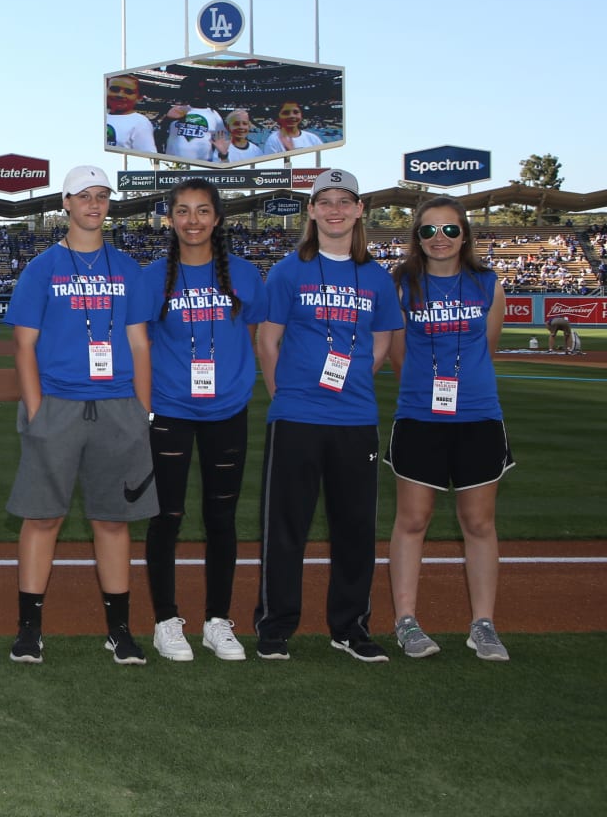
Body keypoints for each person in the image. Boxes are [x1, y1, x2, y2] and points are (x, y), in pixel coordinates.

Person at [5, 166, 156, 665]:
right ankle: (29, 629)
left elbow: (138, 342)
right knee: (42, 517)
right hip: (59, 405)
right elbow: (23, 346)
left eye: (101, 196)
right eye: (84, 196)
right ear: (65, 204)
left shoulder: (127, 268)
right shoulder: (42, 268)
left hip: (117, 406)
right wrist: (36, 409)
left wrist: (143, 410)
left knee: (113, 521)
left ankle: (119, 630)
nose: (94, 204)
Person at [253, 169, 403, 662]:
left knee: (356, 528)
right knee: (285, 527)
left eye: (346, 200)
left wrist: (354, 378)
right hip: (297, 415)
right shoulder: (288, 270)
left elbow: (381, 344)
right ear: (312, 211)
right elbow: (268, 340)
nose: (336, 209)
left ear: (360, 210)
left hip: (355, 417)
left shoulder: (377, 277)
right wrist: (285, 395)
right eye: (326, 201)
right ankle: (276, 625)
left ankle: (350, 626)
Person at [138, 179, 266, 662]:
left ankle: (217, 622)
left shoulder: (246, 275)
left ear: (217, 218)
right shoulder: (153, 279)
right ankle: (166, 621)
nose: (193, 221)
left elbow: (257, 330)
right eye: (184, 211)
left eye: (203, 211)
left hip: (227, 409)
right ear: (170, 218)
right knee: (166, 517)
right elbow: (142, 345)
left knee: (222, 519)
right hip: (171, 409)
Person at [386, 198, 514, 661]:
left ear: (465, 235)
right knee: (413, 520)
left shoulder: (488, 285)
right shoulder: (402, 286)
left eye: (450, 230)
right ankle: (406, 621)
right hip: (420, 416)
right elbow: (398, 356)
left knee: (478, 523)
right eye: (428, 230)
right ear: (416, 237)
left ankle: (483, 624)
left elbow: (489, 348)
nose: (439, 238)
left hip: (478, 416)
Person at [159, 74, 224, 164]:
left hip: (201, 167)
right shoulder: (176, 110)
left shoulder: (214, 115)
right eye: (193, 89)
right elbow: (159, 135)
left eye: (200, 89)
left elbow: (222, 144)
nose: (196, 93)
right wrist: (167, 119)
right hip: (173, 166)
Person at [105, 74, 156, 153]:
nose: (120, 95)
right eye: (114, 89)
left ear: (139, 98)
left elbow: (147, 156)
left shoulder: (140, 122)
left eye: (128, 92)